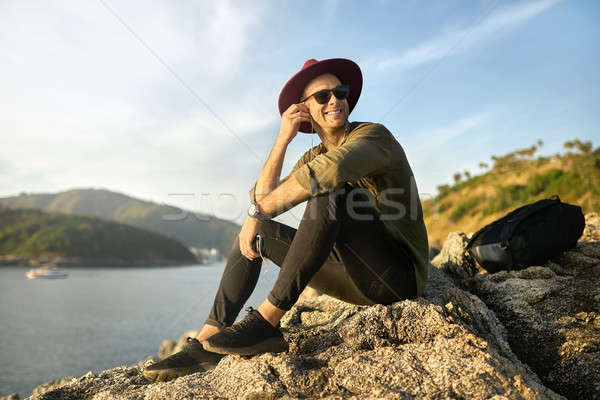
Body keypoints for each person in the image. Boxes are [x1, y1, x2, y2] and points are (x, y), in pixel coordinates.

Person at [143, 58, 429, 382]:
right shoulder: (313, 155)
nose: (335, 99)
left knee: (331, 193)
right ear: (305, 109)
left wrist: (259, 210)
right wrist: (282, 140)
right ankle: (207, 340)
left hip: (397, 279)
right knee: (255, 232)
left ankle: (266, 324)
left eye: (340, 91)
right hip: (348, 276)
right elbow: (264, 198)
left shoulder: (374, 137)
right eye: (322, 96)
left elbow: (328, 173)